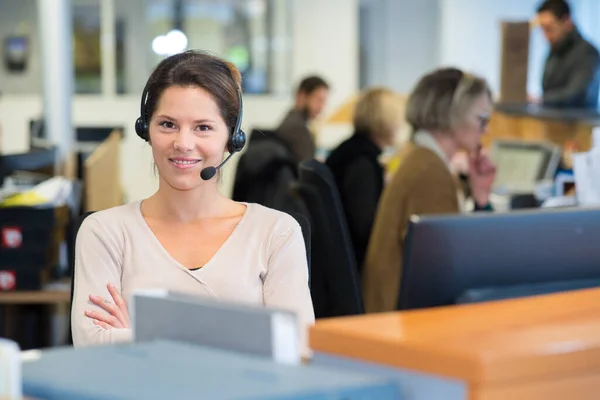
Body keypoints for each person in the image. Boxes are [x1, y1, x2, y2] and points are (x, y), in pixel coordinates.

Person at [71, 50, 315, 355]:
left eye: (203, 127)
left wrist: (136, 335)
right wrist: (245, 337)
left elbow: (298, 349)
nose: (183, 143)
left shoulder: (276, 232)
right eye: (168, 124)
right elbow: (93, 348)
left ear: (232, 138)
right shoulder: (104, 232)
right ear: (146, 130)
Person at [362, 68, 497, 313]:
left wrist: (480, 197)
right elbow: (451, 276)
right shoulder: (430, 173)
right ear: (452, 115)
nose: (486, 130)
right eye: (482, 119)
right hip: (404, 324)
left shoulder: (420, 158)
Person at [325, 87, 404, 271]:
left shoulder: (349, 150)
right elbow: (367, 229)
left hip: (338, 261)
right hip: (356, 266)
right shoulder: (362, 163)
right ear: (386, 120)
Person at [535, 0, 600, 108]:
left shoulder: (588, 52)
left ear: (566, 21)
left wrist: (540, 100)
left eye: (549, 28)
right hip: (552, 121)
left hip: (579, 123)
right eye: (542, 29)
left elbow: (577, 94)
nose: (545, 35)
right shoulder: (555, 50)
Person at [275, 76, 329, 164]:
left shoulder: (291, 119)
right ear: (301, 96)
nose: (321, 107)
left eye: (324, 101)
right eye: (318, 100)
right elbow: (308, 169)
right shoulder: (298, 128)